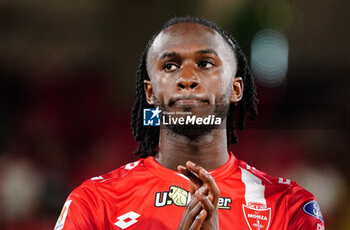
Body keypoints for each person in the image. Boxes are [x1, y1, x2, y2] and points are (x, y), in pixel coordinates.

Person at [54, 16, 325, 230]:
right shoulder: (95, 202)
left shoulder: (289, 206)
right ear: (150, 93)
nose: (186, 78)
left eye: (206, 63)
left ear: (236, 89)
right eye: (170, 66)